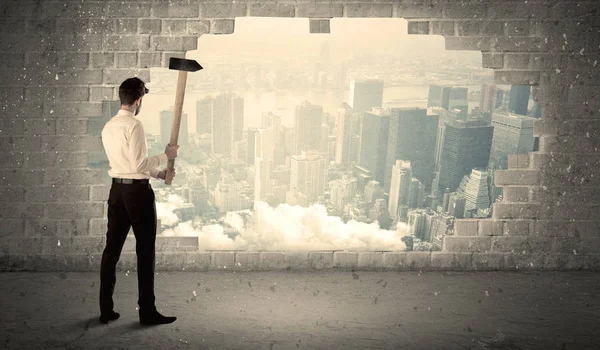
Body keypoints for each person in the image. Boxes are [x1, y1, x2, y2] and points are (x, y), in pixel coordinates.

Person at [99, 77, 179, 325]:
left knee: (111, 249)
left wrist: (159, 174)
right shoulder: (135, 125)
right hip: (138, 195)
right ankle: (147, 311)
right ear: (139, 100)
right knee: (145, 251)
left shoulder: (108, 126)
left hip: (117, 192)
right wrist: (166, 156)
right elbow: (138, 165)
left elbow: (127, 167)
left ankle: (106, 310)